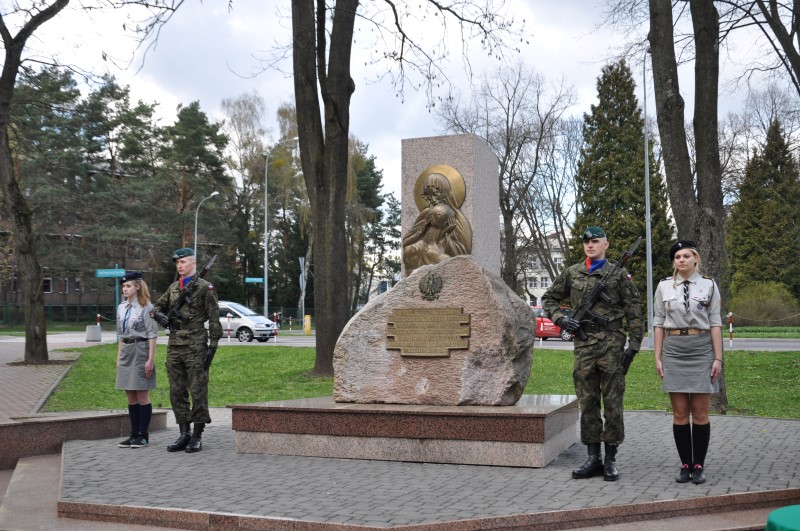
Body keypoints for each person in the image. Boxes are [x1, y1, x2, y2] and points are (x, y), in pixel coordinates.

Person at [542, 226, 643, 481]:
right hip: (584, 345)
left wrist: (633, 347)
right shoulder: (572, 272)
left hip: (611, 344)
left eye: (595, 241)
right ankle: (593, 458)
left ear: (605, 245)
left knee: (613, 404)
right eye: (586, 242)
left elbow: (634, 312)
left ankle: (610, 460)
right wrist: (561, 319)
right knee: (587, 402)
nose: (590, 245)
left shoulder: (618, 274)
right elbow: (549, 299)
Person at [653, 240, 723, 485]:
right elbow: (658, 323)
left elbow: (715, 323)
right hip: (674, 350)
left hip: (702, 348)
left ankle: (699, 465)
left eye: (685, 256)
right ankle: (685, 465)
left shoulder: (709, 285)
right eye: (677, 257)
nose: (681, 260)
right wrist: (658, 357)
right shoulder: (663, 286)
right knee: (680, 412)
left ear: (695, 258)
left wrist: (718, 358)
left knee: (701, 413)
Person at [153, 248, 222, 453]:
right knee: (177, 391)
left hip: (196, 346)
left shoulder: (205, 287)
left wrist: (213, 346)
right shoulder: (174, 287)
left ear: (193, 263)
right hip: (174, 345)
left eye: (183, 262)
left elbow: (214, 318)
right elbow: (156, 307)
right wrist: (159, 315)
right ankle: (184, 433)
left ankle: (197, 435)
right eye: (177, 263)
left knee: (198, 390)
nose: (179, 266)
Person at [116, 271, 158, 448]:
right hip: (126, 351)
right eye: (123, 286)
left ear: (138, 287)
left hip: (140, 350)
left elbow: (152, 335)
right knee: (130, 396)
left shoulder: (146, 307)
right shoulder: (121, 307)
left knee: (141, 394)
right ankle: (133, 434)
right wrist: (119, 358)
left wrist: (150, 360)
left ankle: (143, 435)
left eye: (128, 286)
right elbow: (120, 335)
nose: (125, 289)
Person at [402, 172, 472, 274]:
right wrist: (422, 228)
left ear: (444, 193)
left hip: (437, 253)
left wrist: (447, 234)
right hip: (422, 249)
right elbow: (406, 240)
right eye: (429, 196)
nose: (433, 199)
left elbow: (462, 253)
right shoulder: (426, 213)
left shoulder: (454, 217)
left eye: (435, 194)